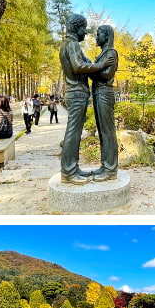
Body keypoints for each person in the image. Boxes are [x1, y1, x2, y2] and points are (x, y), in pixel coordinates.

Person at [59, 13, 114, 184]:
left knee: (74, 131)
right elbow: (78, 66)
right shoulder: (72, 43)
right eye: (84, 28)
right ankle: (69, 172)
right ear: (76, 27)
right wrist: (101, 65)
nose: (86, 32)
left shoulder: (68, 44)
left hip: (77, 93)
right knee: (73, 132)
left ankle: (73, 169)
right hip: (77, 93)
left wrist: (94, 64)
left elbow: (84, 62)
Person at [89, 25, 119, 181]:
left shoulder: (111, 53)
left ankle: (111, 169)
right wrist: (95, 70)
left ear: (106, 36)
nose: (96, 37)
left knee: (108, 131)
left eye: (98, 34)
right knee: (101, 131)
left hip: (104, 93)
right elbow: (99, 73)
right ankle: (104, 165)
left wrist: (90, 70)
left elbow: (107, 75)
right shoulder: (102, 55)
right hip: (97, 93)